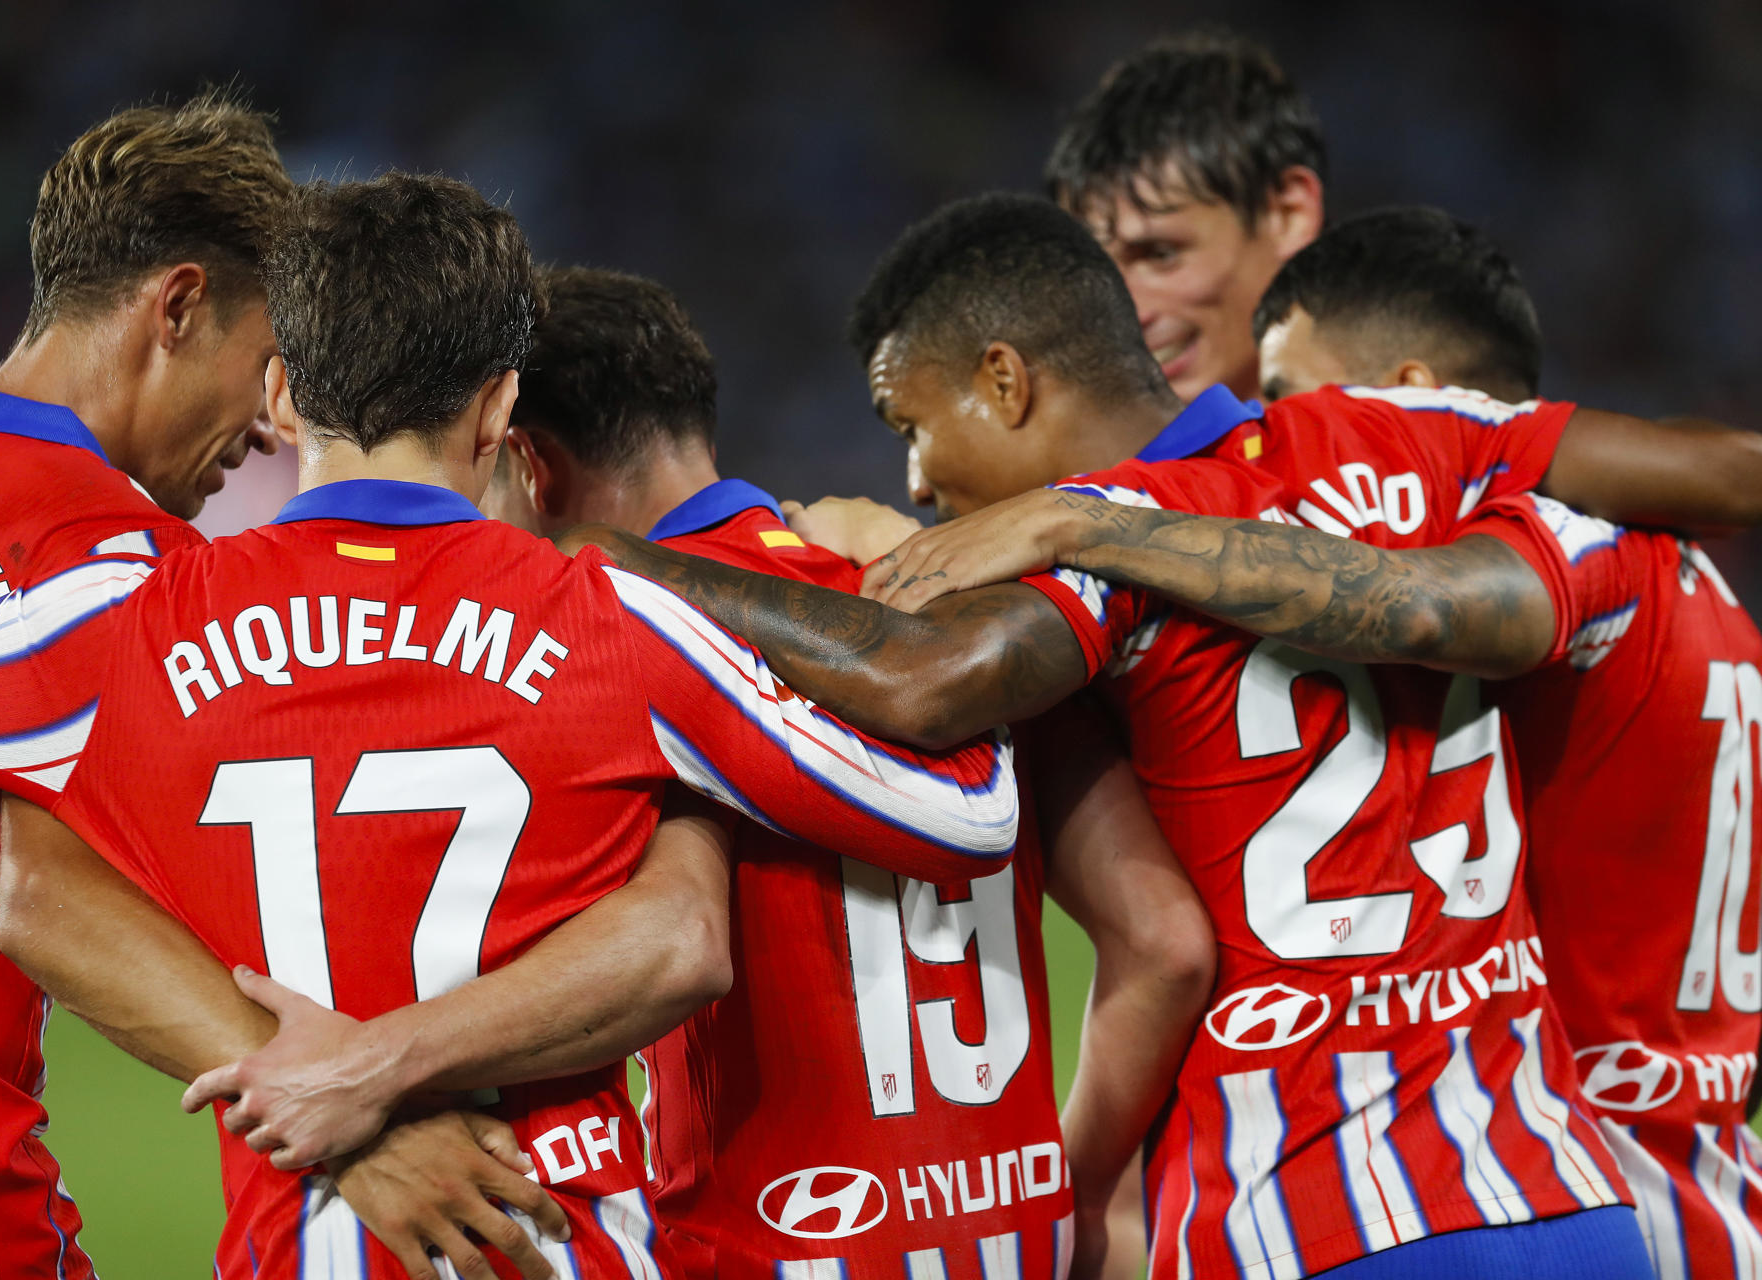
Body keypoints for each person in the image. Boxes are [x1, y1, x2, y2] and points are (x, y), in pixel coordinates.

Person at [538, 191, 1762, 1277]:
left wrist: (621, 564)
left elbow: (930, 683)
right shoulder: (1410, 436)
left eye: (912, 422)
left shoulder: (1099, 541)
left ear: (1006, 381)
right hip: (1563, 1195)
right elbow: (1702, 481)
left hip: (1308, 1211)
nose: (915, 478)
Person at [0, 174, 1023, 1277]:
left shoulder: (127, 622)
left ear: (284, 393)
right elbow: (968, 813)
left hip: (301, 1235)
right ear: (503, 402)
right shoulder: (618, 625)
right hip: (552, 1227)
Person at [0, 92, 560, 1280]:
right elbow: (48, 900)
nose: (275, 430)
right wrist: (341, 1116)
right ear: (177, 306)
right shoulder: (130, 578)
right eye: (272, 361)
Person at [462, 266, 1209, 1279]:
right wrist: (1069, 1193)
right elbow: (1164, 940)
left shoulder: (604, 647)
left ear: (530, 462)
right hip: (1013, 1234)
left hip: (775, 1243)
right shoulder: (956, 611)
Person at [1245, 207, 1762, 1280]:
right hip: (1715, 1184)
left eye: (1291, 399)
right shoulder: (1719, 605)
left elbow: (1418, 609)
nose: (1274, 446)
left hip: (1586, 1185)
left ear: (1416, 391)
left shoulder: (1566, 558)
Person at [1043, 31, 1324, 406]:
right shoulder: (1067, 460)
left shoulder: (1415, 437)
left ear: (1288, 216)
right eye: (1090, 272)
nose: (1122, 317)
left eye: (1160, 254)